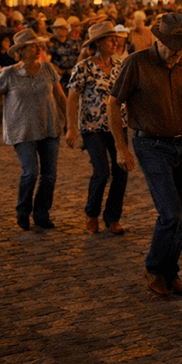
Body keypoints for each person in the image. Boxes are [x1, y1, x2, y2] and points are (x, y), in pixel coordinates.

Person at [108, 13, 182, 297]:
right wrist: (121, 147)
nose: (178, 56)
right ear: (159, 41)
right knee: (170, 213)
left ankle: (170, 272)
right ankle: (153, 267)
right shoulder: (137, 63)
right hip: (151, 145)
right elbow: (114, 104)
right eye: (174, 50)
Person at [0, 29, 67, 230]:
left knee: (49, 175)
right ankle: (23, 211)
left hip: (49, 128)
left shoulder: (47, 69)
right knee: (31, 172)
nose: (38, 49)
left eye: (39, 45)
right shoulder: (9, 73)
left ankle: (41, 213)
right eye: (33, 46)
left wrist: (71, 122)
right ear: (21, 50)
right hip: (22, 130)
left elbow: (61, 97)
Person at [65, 21, 128, 235]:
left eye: (116, 38)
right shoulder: (83, 67)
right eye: (110, 39)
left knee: (122, 171)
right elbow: (72, 99)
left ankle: (113, 217)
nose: (115, 42)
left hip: (118, 126)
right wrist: (71, 128)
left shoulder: (120, 66)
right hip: (92, 127)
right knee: (101, 172)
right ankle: (92, 214)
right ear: (98, 43)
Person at [49, 18, 81, 88]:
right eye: (59, 28)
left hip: (74, 74)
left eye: (64, 28)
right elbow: (49, 59)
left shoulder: (74, 42)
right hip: (59, 76)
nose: (62, 31)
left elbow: (79, 56)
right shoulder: (50, 43)